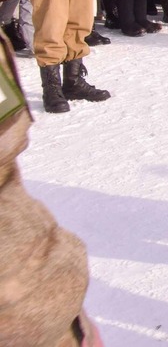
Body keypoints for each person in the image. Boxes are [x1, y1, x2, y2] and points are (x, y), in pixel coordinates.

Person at [0, 36, 104, 346]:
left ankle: (70, 77)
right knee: (54, 20)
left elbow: (6, 153)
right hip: (27, 313)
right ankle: (54, 84)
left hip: (47, 308)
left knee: (75, 19)